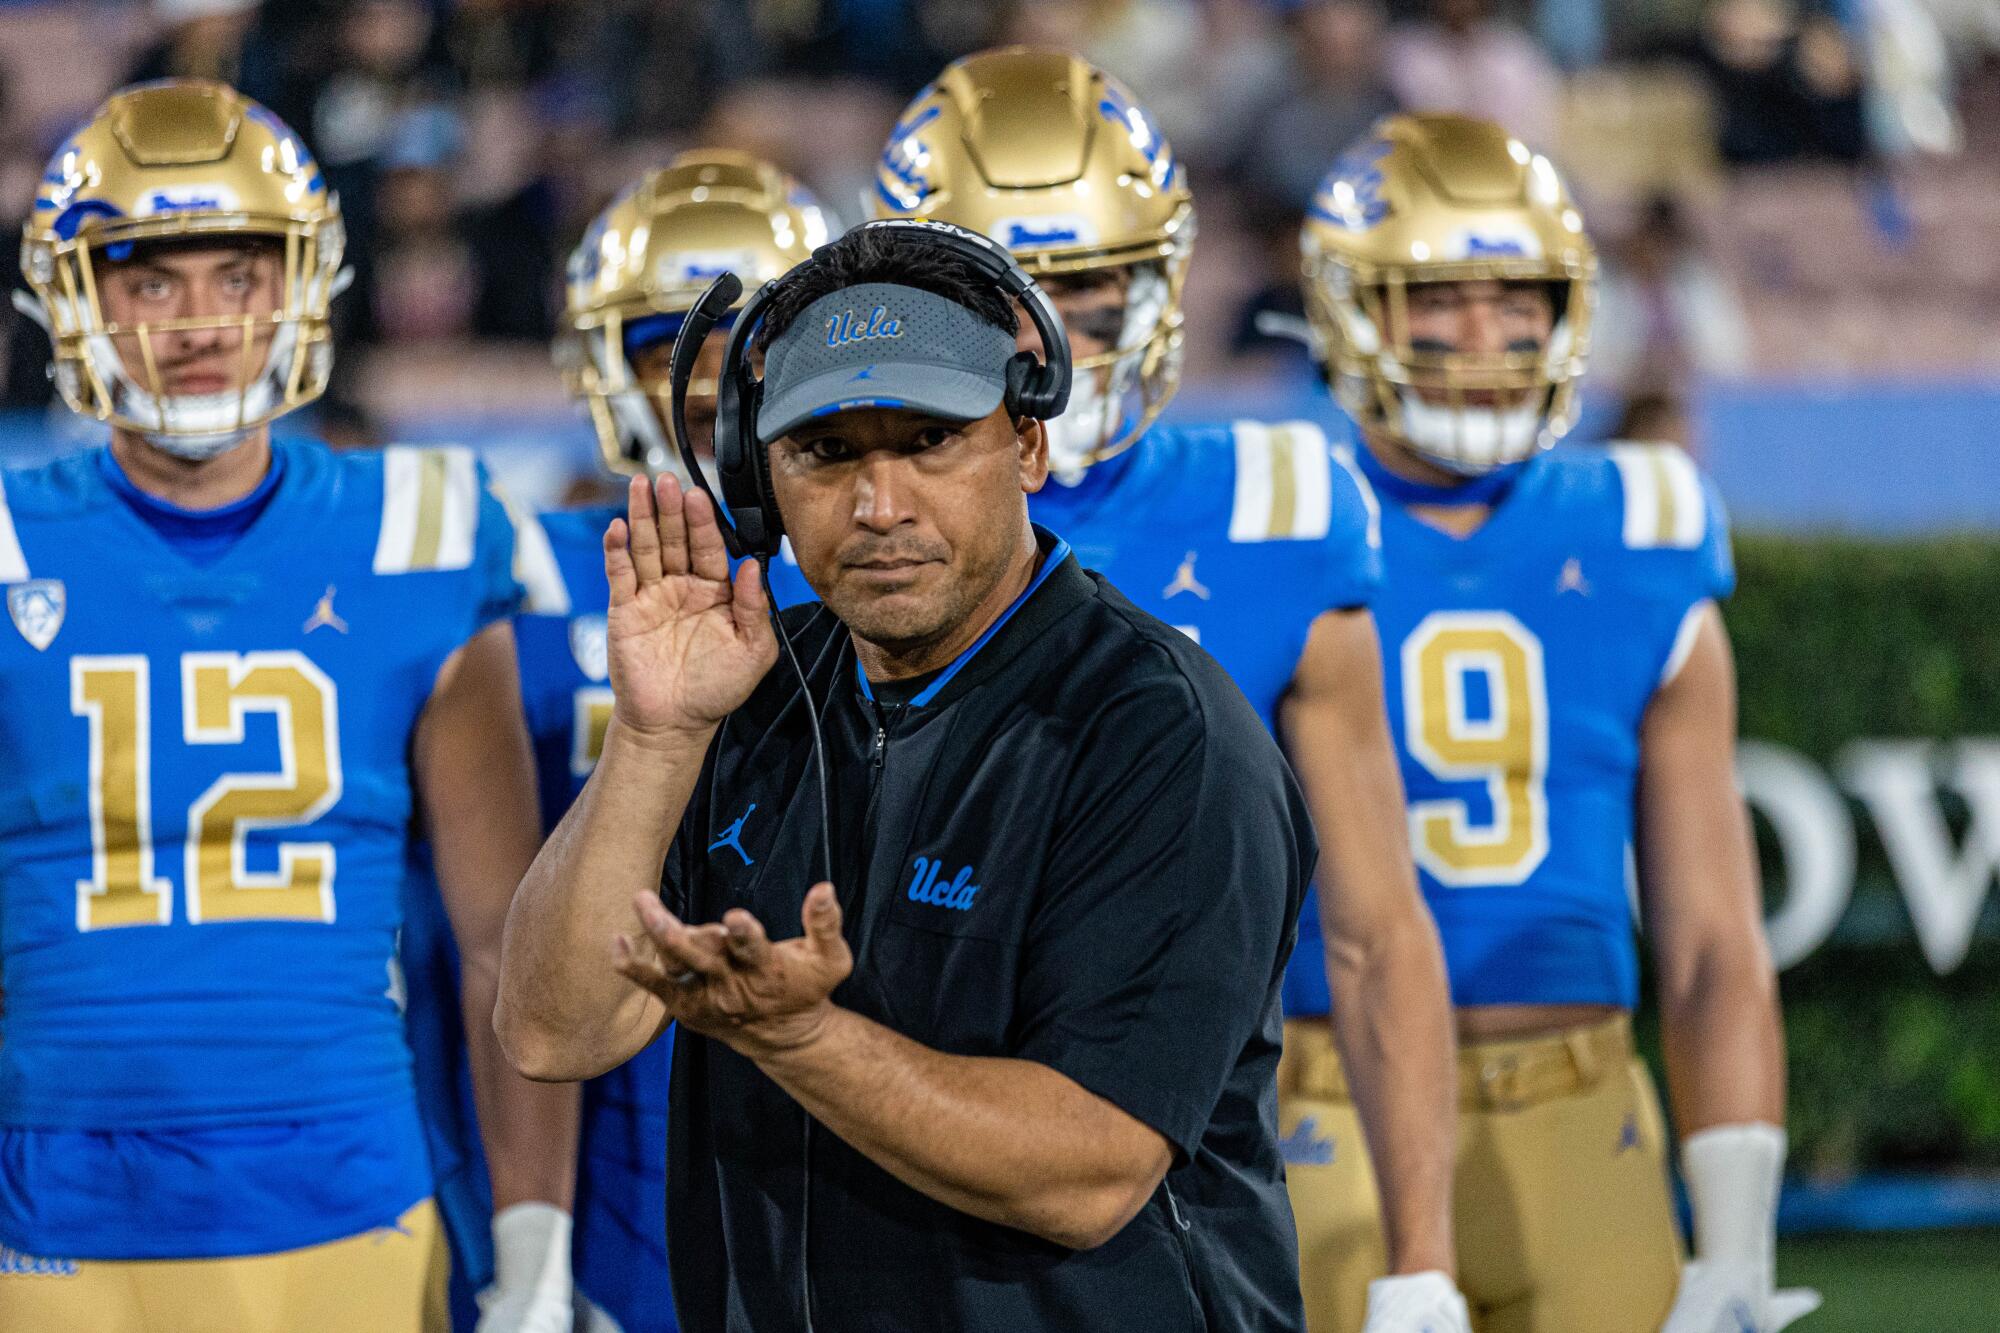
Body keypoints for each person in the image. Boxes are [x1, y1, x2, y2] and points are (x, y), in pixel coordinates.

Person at [496, 222, 1318, 1331]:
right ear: (758, 481)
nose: (878, 505)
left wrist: (798, 1037)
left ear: (1027, 448)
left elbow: (1086, 1169)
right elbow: (556, 1030)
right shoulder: (748, 697)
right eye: (824, 453)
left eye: (929, 441)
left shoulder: (1160, 731)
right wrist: (653, 735)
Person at [874, 47, 1468, 1331]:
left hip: (1195, 1138)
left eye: (1088, 291)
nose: (1056, 343)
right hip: (902, 1128)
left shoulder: (1281, 506)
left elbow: (1374, 925)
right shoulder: (837, 519)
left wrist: (1422, 1255)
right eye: (1006, 301)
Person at [0, 80, 577, 1333]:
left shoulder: (421, 533)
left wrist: (535, 1229)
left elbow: (502, 943)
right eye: (149, 279)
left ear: (302, 283)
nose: (200, 320)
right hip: (51, 1201)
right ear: (73, 297)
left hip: (345, 1196)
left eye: (238, 272)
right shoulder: (4, 545)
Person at [1294, 111, 1819, 1333]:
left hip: (1582, 1103)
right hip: (1320, 1098)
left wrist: (1735, 1241)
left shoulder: (1640, 521)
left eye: (1514, 295)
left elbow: (1709, 939)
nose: (1484, 334)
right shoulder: (1274, 512)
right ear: (1346, 305)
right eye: (1439, 297)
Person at [403, 148, 830, 1333]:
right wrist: (527, 1239)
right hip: (597, 1111)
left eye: (751, 344)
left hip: (833, 1102)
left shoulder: (883, 567)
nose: (704, 384)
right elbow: (484, 947)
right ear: (600, 362)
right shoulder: (517, 577)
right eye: (664, 345)